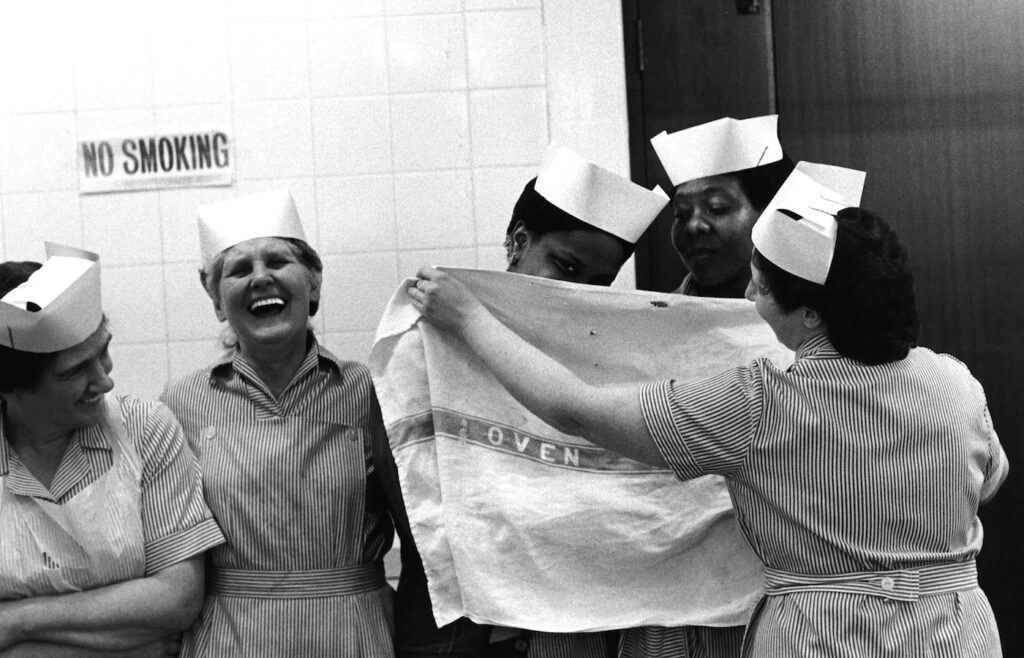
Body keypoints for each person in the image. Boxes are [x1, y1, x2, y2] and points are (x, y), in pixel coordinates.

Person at [407, 165, 1008, 657]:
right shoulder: (953, 380)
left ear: (812, 313)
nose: (747, 297)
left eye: (762, 287)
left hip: (827, 635)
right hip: (954, 630)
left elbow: (576, 410)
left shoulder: (760, 400)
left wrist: (467, 317)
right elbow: (986, 485)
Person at [375, 143, 668, 658]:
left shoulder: (609, 364)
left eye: (601, 283)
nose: (579, 294)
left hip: (577, 628)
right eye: (567, 268)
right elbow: (417, 495)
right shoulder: (432, 346)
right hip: (458, 633)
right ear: (517, 240)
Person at [159, 189, 395, 656]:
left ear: (314, 284)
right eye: (239, 270)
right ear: (217, 301)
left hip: (352, 634)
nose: (261, 278)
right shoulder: (181, 401)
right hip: (228, 637)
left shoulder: (372, 392)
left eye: (277, 262)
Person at [0, 245, 224, 656]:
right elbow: (155, 622)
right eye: (73, 372)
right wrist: (136, 635)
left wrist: (17, 623)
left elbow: (177, 600)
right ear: (10, 389)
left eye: (103, 351)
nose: (104, 382)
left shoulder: (145, 430)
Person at [652, 115, 794, 299]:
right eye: (682, 214)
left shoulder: (816, 321)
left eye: (716, 208)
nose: (693, 226)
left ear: (772, 216)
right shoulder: (655, 321)